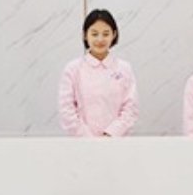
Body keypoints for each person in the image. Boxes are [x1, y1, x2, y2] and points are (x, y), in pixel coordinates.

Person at [58, 9, 138, 137]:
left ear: (114, 34)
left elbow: (130, 109)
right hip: (81, 143)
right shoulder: (73, 69)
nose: (100, 39)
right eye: (94, 34)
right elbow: (67, 110)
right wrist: (88, 139)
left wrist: (110, 135)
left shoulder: (124, 68)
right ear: (85, 35)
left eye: (106, 34)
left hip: (116, 141)